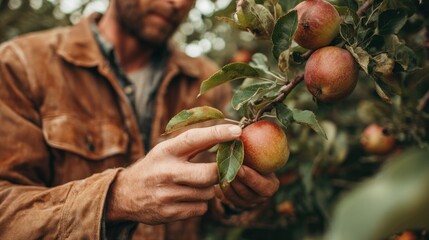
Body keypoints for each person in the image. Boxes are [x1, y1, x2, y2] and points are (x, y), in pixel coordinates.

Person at [0, 0, 280, 239]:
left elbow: (218, 196)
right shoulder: (21, 66)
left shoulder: (206, 82)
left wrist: (238, 199)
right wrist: (115, 199)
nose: (178, 3)